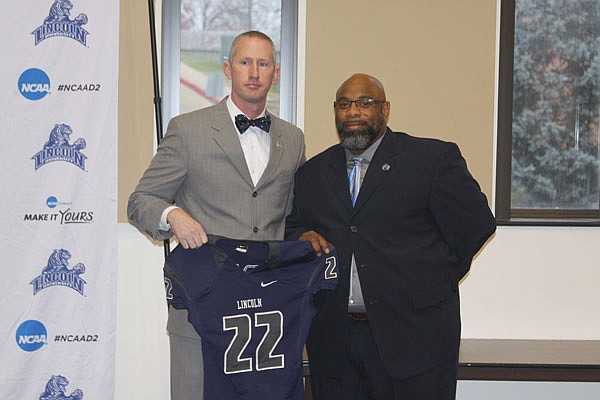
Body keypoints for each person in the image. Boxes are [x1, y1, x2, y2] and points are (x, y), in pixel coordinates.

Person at [285, 73, 496, 400]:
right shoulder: (313, 173)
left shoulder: (430, 160)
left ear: (385, 110)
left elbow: (476, 223)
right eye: (344, 104)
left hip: (415, 338)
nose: (353, 111)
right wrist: (301, 235)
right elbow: (294, 226)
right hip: (334, 342)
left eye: (365, 103)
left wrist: (436, 277)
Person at [128, 31, 306, 400]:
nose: (254, 72)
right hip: (201, 309)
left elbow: (295, 217)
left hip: (267, 317)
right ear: (227, 69)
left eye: (263, 64)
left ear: (275, 73)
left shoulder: (293, 139)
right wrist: (173, 214)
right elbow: (141, 200)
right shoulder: (187, 130)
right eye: (245, 62)